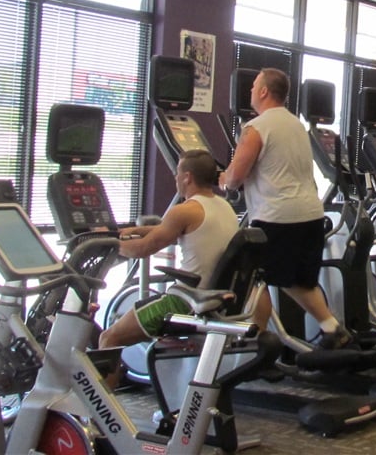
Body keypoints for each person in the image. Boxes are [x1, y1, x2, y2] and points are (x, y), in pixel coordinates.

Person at [218, 67, 352, 349]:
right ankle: (331, 328)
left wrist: (221, 179)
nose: (251, 90)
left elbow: (235, 177)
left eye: (254, 85)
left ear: (264, 91)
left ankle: (256, 340)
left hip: (277, 218)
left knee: (256, 275)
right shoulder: (297, 126)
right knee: (297, 281)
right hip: (311, 214)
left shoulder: (256, 127)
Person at [99, 149, 239, 355]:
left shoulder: (183, 211)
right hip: (217, 296)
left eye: (177, 172)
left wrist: (109, 243)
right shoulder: (224, 206)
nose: (175, 177)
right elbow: (173, 230)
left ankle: (106, 377)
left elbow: (141, 249)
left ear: (187, 177)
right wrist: (132, 231)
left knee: (109, 338)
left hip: (185, 300)